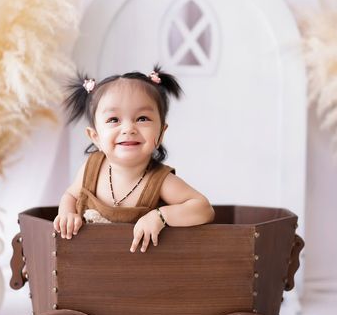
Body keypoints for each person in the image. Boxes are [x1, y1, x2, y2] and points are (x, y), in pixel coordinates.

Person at [53, 65, 215, 252]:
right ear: (95, 137)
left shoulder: (160, 181)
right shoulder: (91, 169)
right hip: (90, 266)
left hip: (138, 272)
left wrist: (160, 216)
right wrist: (67, 213)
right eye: (114, 120)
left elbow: (203, 209)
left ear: (161, 133)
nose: (128, 128)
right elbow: (71, 195)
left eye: (142, 118)